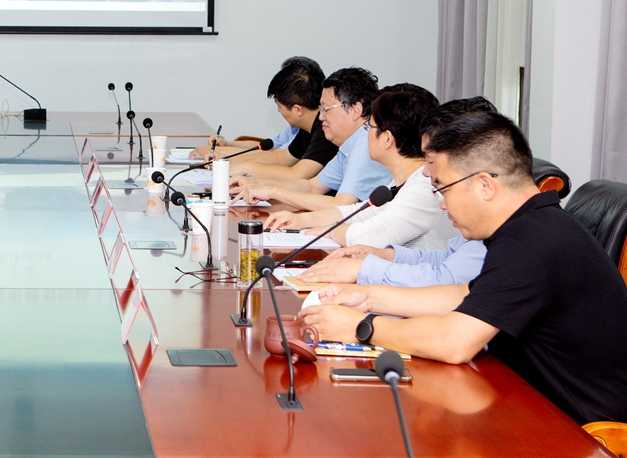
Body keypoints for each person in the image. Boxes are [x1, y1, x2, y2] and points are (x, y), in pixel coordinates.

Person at [302, 111, 627, 425]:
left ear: (485, 185)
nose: (442, 204)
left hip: (580, 435)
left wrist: (361, 326)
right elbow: (464, 295)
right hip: (528, 404)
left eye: (443, 188)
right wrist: (366, 297)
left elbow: (455, 341)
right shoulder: (535, 225)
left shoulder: (530, 242)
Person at [298, 96, 498, 287]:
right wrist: (382, 256)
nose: (426, 171)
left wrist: (364, 269)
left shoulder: (429, 188)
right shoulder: (419, 182)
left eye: (431, 160)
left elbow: (445, 278)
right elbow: (444, 259)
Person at [262, 84, 456, 250]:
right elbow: (360, 212)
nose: (366, 134)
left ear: (387, 139)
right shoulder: (402, 181)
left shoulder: (424, 186)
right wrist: (301, 221)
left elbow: (372, 234)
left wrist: (332, 231)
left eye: (369, 127)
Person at [234, 67, 391, 211]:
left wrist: (273, 192)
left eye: (326, 109)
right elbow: (312, 186)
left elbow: (341, 206)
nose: (321, 117)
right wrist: (258, 184)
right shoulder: (350, 144)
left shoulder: (365, 145)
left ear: (355, 110)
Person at [192, 57, 339, 181]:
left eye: (279, 106)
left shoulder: (326, 130)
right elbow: (280, 158)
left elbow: (295, 174)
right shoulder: (307, 129)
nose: (278, 111)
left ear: (297, 110)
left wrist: (245, 167)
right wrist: (227, 160)